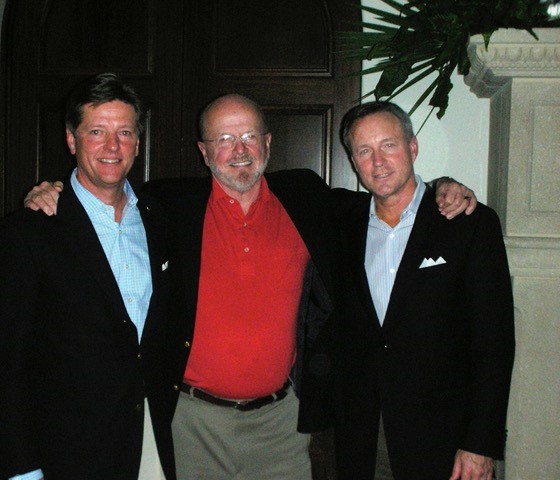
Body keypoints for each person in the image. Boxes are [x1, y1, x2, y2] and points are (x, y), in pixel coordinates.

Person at [24, 94, 477, 479]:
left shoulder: (306, 198)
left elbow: (385, 197)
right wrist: (55, 191)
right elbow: (105, 192)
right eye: (223, 139)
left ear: (268, 143)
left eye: (248, 137)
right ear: (204, 151)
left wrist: (441, 186)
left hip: (280, 423)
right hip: (193, 422)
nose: (238, 150)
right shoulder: (167, 207)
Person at [0, 73, 177, 480]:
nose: (112, 146)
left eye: (124, 132)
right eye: (96, 131)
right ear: (72, 140)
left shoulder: (163, 218)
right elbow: (1, 368)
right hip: (66, 452)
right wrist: (21, 470)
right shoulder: (24, 235)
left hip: (155, 441)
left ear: (138, 143)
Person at [332, 101, 515, 480]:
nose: (378, 161)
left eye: (389, 145)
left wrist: (481, 443)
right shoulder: (341, 223)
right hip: (366, 437)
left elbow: (494, 344)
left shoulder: (468, 223)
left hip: (447, 441)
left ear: (413, 148)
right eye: (364, 151)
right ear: (352, 160)